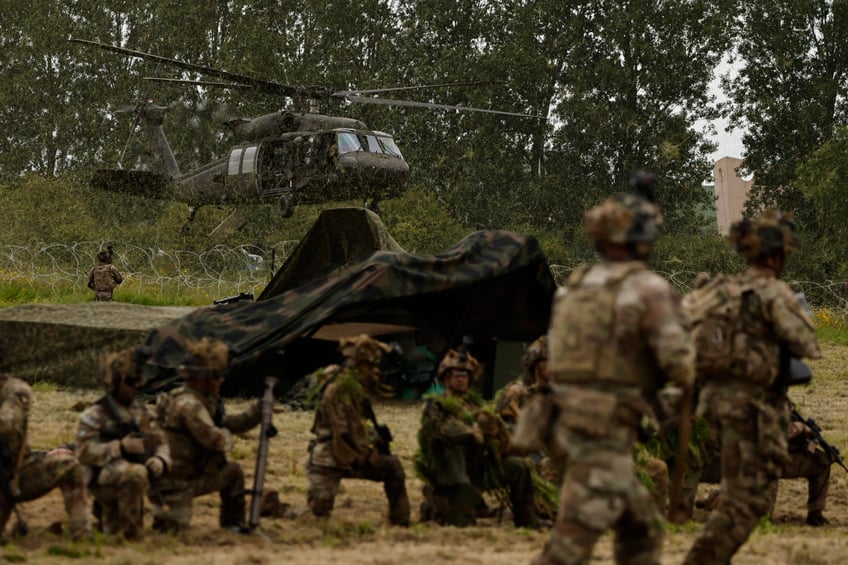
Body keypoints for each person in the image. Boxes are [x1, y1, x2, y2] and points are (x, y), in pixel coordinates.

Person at [534, 189, 695, 565]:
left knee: (641, 528)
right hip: (606, 429)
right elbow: (681, 364)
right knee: (573, 539)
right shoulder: (647, 289)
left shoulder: (572, 289)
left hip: (566, 421)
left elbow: (556, 353)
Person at [683, 210, 821, 564]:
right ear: (777, 256)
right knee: (749, 502)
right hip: (756, 409)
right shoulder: (773, 292)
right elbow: (806, 343)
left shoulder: (722, 289)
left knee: (735, 493)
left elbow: (683, 324)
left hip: (716, 405)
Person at [416, 347, 540, 528]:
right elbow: (444, 430)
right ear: (446, 377)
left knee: (518, 467)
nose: (461, 378)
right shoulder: (436, 404)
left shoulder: (475, 405)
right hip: (451, 476)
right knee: (462, 523)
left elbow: (496, 430)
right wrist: (473, 432)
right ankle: (435, 506)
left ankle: (528, 520)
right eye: (456, 374)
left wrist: (501, 434)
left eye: (465, 375)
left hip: (477, 471)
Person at [151, 337, 263, 532]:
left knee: (233, 471)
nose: (221, 380)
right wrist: (226, 436)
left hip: (191, 475)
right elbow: (215, 440)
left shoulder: (200, 399)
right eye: (217, 376)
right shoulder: (189, 405)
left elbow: (227, 422)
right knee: (171, 531)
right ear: (203, 379)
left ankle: (233, 524)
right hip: (173, 482)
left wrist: (256, 412)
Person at [306, 334, 410, 526]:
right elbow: (345, 431)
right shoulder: (339, 389)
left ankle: (400, 522)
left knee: (392, 466)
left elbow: (359, 426)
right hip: (330, 458)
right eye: (371, 367)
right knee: (315, 516)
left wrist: (375, 438)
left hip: (354, 454)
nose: (374, 372)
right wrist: (369, 449)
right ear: (361, 366)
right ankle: (276, 507)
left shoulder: (356, 389)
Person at [76, 345, 170, 540]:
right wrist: (119, 446)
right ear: (115, 383)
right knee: (135, 474)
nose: (134, 388)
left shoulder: (139, 411)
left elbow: (161, 439)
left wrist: (161, 459)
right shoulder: (97, 413)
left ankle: (164, 522)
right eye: (129, 382)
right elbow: (83, 451)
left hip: (135, 471)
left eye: (137, 382)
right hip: (104, 476)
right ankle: (129, 534)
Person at [0, 342, 90, 540]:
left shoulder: (14, 391)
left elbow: (6, 425)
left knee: (68, 466)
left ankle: (81, 532)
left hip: (17, 473)